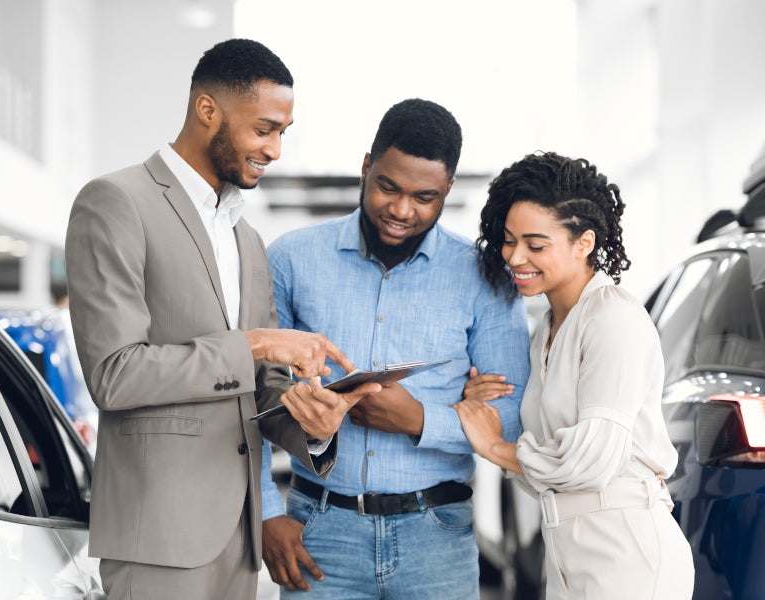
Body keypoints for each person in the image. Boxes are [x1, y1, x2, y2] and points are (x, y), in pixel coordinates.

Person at [64, 39, 379, 600]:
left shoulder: (246, 238)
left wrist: (314, 424)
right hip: (157, 539)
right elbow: (115, 374)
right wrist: (256, 343)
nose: (276, 149)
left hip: (238, 542)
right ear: (208, 110)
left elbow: (256, 393)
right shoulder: (115, 201)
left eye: (283, 132)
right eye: (264, 129)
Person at [258, 98, 531, 599]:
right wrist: (266, 513)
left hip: (437, 538)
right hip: (318, 533)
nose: (402, 210)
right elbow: (249, 397)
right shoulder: (290, 260)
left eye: (424, 196)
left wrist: (418, 419)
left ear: (448, 189)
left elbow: (512, 417)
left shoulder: (485, 278)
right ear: (366, 167)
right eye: (388, 186)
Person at [454, 151, 695, 599]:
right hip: (566, 551)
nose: (515, 256)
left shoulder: (612, 318)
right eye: (508, 240)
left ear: (584, 242)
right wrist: (481, 405)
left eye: (535, 244)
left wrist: (492, 445)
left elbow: (589, 462)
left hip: (626, 552)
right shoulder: (547, 328)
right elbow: (544, 473)